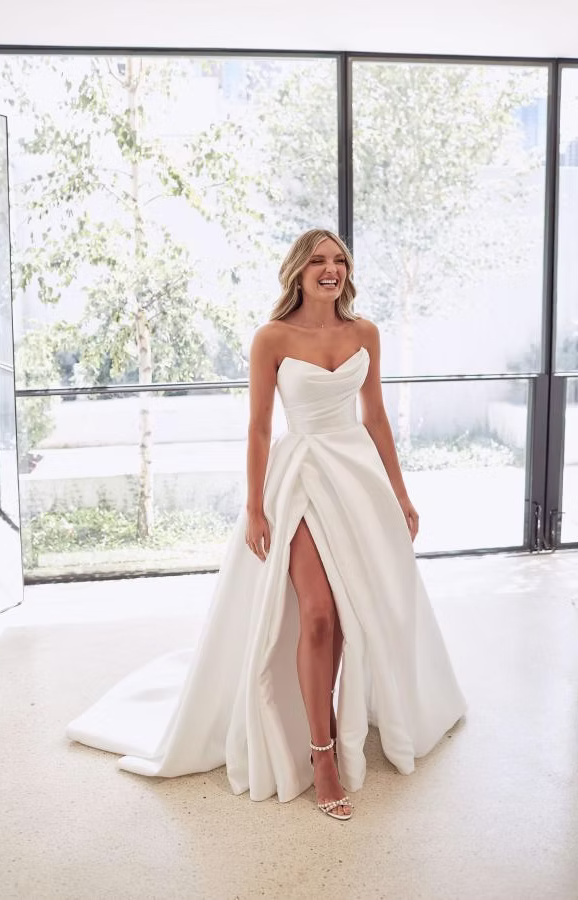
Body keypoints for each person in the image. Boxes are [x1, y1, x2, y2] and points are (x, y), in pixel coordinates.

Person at [67, 228, 467, 821]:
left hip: (356, 479)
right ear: (298, 273)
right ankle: (322, 754)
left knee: (357, 612)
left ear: (346, 273)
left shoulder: (366, 334)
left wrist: (402, 496)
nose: (329, 270)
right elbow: (258, 427)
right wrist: (255, 505)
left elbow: (376, 417)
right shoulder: (271, 338)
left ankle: (338, 720)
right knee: (317, 612)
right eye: (317, 262)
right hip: (300, 477)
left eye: (338, 261)